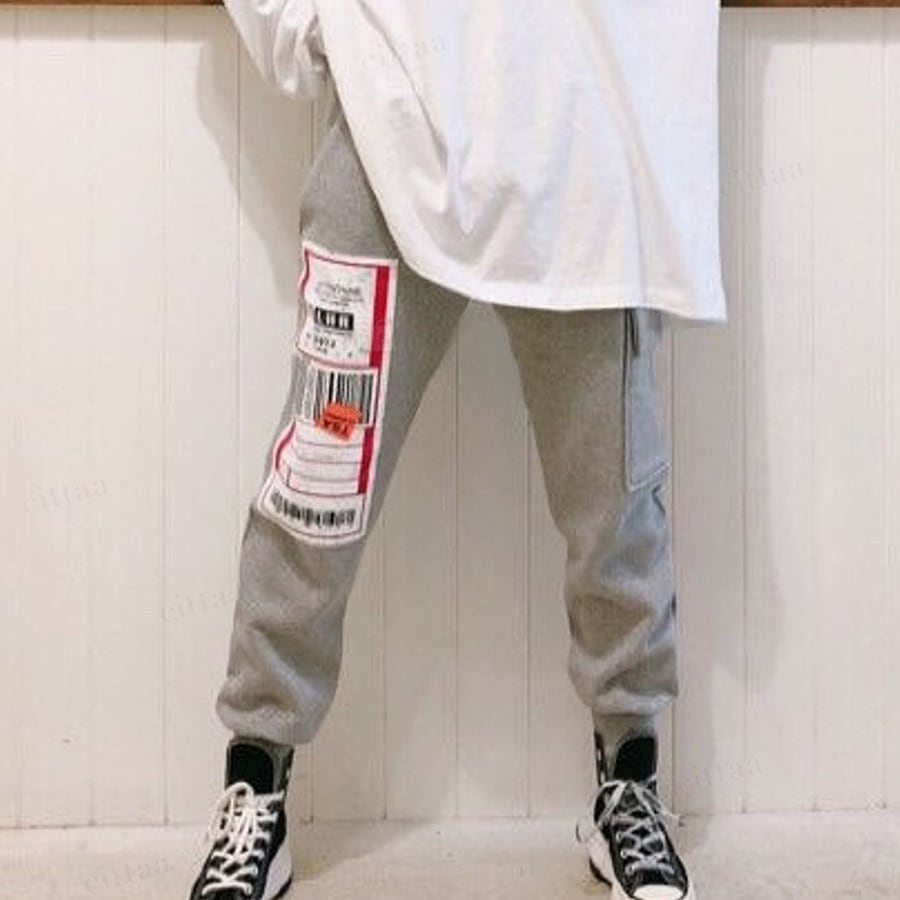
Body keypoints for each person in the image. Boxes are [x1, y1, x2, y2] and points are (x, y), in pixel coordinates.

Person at [188, 4, 726, 900]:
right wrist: (301, 25)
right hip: (390, 120)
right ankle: (257, 779)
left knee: (613, 500)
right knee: (320, 485)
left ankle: (629, 780)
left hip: (584, 144)